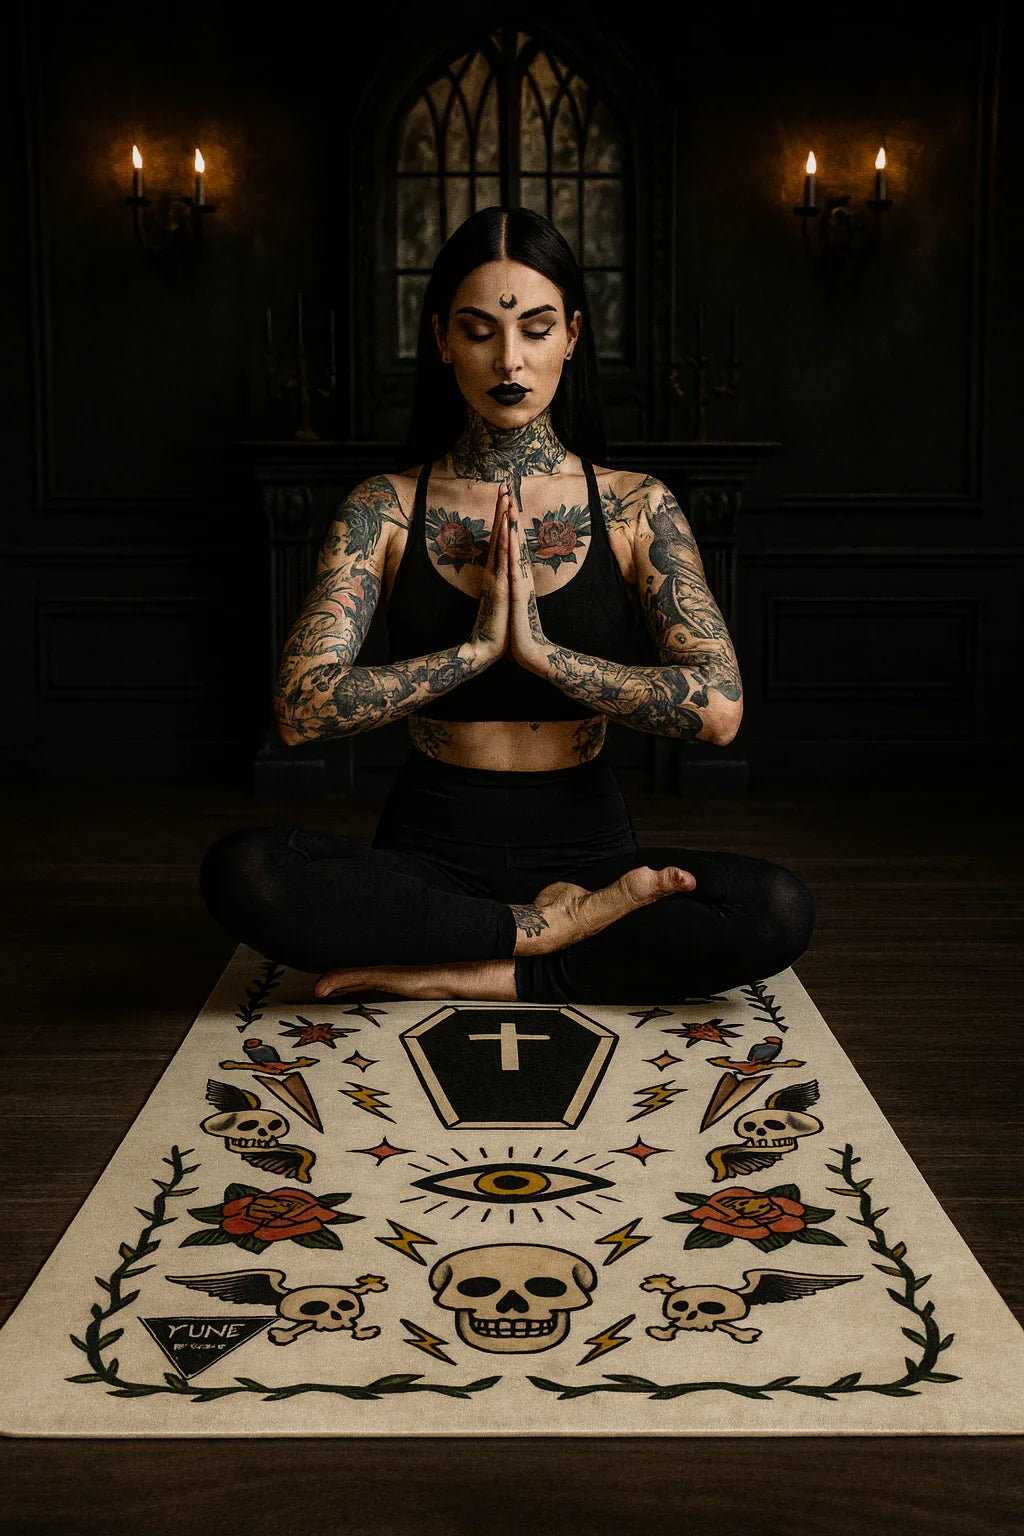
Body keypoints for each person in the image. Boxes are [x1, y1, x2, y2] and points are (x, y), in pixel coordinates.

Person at [199, 206, 814, 1004]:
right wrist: (474, 654)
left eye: (536, 328)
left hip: (586, 848)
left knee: (774, 908)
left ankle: (473, 965)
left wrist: (545, 656)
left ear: (572, 335)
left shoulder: (635, 505)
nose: (509, 359)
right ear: (442, 339)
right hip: (431, 848)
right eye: (479, 330)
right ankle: (549, 940)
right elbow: (299, 710)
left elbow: (719, 709)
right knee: (244, 870)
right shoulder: (385, 506)